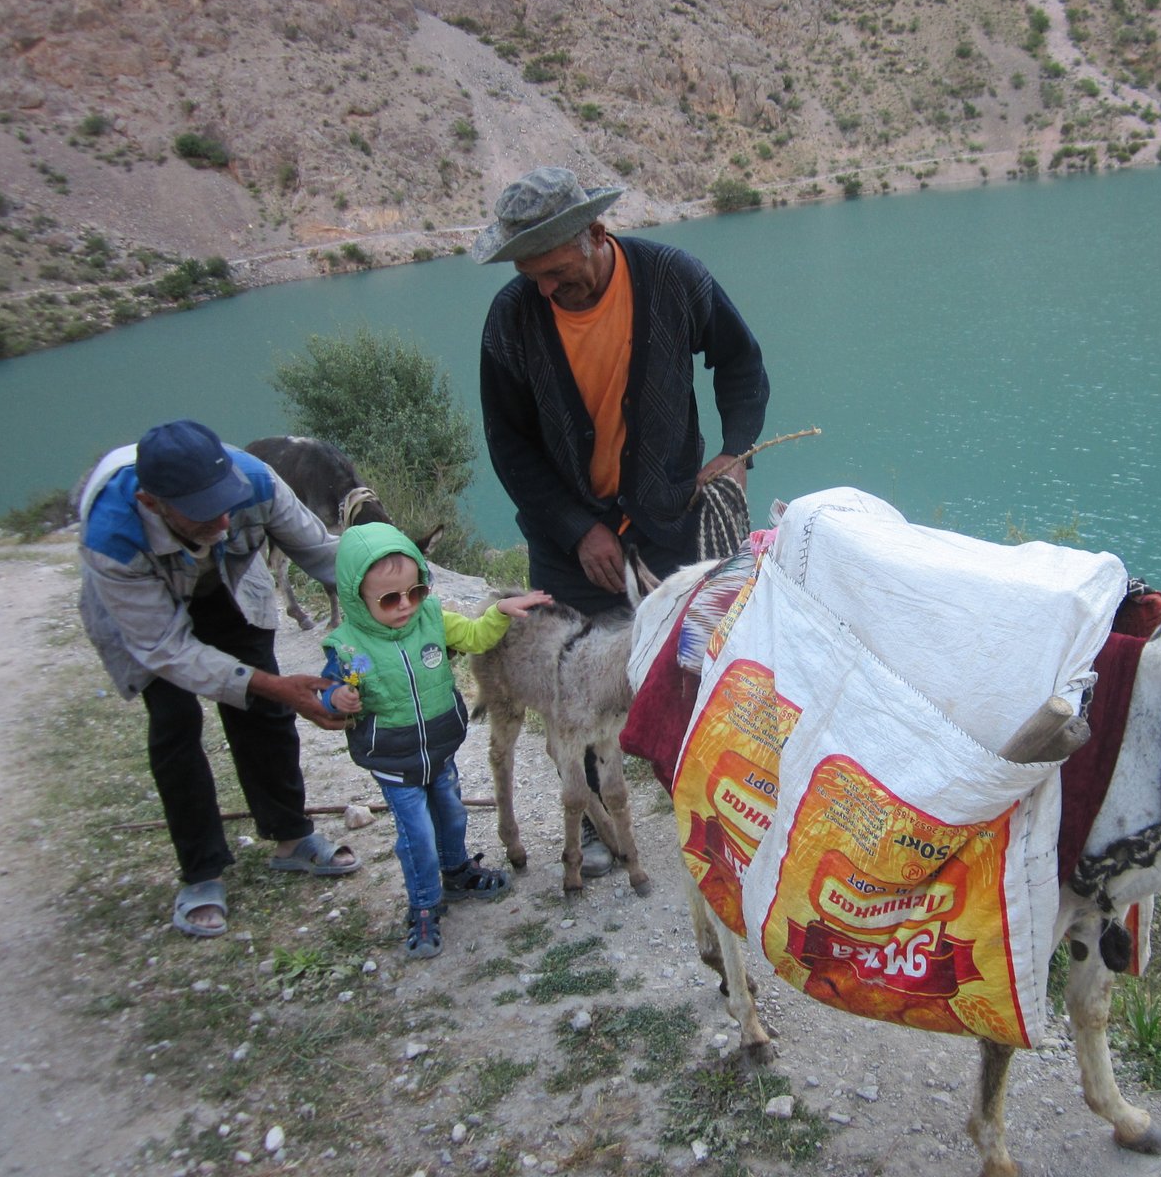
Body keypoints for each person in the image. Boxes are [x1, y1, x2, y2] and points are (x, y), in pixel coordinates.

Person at [475, 165, 771, 876]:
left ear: (597, 234)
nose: (543, 288)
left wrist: (735, 450)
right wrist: (578, 527)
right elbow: (509, 448)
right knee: (575, 679)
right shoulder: (512, 321)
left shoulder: (672, 278)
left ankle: (702, 800)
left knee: (687, 659)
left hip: (669, 517)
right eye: (529, 273)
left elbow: (741, 363)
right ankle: (603, 829)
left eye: (553, 270)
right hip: (563, 539)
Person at [77, 420, 360, 940]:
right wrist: (274, 686)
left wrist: (405, 600)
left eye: (227, 500)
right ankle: (202, 871)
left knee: (265, 708)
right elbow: (166, 649)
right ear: (152, 502)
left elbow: (325, 555)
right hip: (151, 611)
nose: (225, 518)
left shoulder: (258, 481)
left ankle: (291, 837)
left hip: (225, 581)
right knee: (175, 722)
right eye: (204, 509)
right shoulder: (111, 538)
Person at [317, 522, 552, 958]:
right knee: (416, 834)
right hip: (394, 759)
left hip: (439, 751)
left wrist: (500, 614)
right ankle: (424, 904)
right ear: (356, 597)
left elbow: (474, 635)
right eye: (390, 599)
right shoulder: (350, 647)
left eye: (416, 592)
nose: (405, 606)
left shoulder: (432, 619)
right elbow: (325, 692)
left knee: (451, 814)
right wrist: (336, 697)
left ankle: (456, 869)